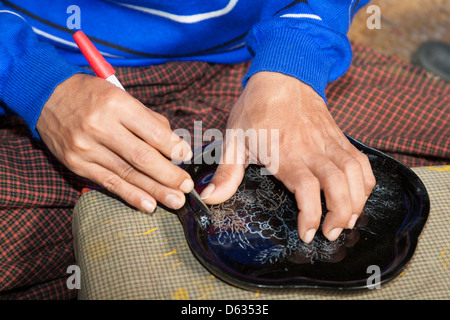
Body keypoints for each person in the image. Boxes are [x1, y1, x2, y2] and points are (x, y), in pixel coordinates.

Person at [0, 0, 376, 249]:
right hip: (46, 66)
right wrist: (30, 78)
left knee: (371, 190)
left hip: (254, 52)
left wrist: (295, 58)